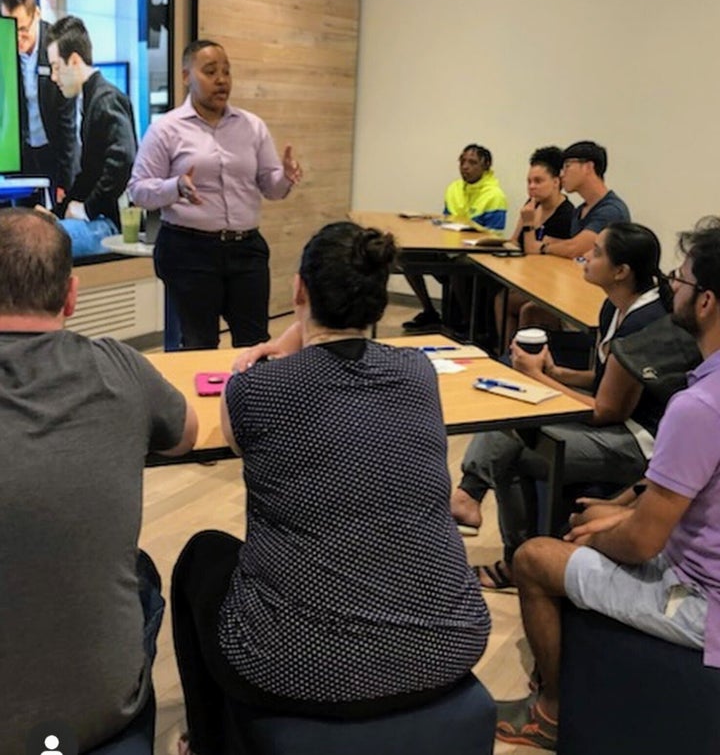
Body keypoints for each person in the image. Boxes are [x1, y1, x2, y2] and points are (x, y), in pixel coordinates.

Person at [171, 221, 490, 755]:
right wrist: (297, 336)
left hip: (294, 666)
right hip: (449, 644)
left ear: (298, 291)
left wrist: (271, 349)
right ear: (378, 303)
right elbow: (337, 350)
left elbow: (234, 436)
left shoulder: (255, 390)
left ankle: (209, 743)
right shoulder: (418, 374)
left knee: (203, 555)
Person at [494, 222, 720, 750]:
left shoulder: (700, 407)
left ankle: (550, 709)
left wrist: (600, 536)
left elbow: (643, 543)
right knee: (597, 521)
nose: (673, 289)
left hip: (705, 603)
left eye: (680, 282)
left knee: (535, 557)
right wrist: (622, 511)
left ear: (706, 301)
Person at [0, 208, 198, 753]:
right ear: (71, 295)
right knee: (145, 572)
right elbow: (187, 432)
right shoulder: (120, 368)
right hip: (99, 713)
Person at [452, 222, 672, 588]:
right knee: (512, 400)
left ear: (621, 271)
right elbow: (604, 380)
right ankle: (510, 547)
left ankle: (499, 535)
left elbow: (606, 411)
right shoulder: (614, 306)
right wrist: (557, 371)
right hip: (616, 421)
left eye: (597, 252)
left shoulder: (643, 324)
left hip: (637, 443)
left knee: (516, 443)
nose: (585, 256)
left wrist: (539, 377)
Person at [129, 39, 303, 350]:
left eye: (226, 72)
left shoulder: (252, 126)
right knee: (197, 346)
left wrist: (285, 178)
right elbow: (138, 190)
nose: (221, 80)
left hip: (246, 250)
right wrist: (175, 187)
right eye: (210, 71)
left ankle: (248, 399)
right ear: (186, 77)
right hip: (188, 250)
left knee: (255, 344)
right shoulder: (166, 129)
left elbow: (270, 187)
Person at [46, 15, 137, 256]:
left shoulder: (105, 99)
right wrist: (56, 212)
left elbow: (122, 162)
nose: (54, 78)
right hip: (100, 220)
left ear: (74, 60)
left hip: (110, 225)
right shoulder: (90, 99)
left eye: (56, 67)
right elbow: (89, 175)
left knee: (41, 246)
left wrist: (87, 209)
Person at [402, 144, 508, 332]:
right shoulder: (454, 188)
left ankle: (468, 325)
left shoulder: (495, 195)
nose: (465, 166)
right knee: (405, 256)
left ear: (486, 165)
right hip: (448, 249)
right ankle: (429, 311)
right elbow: (445, 221)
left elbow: (495, 236)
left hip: (476, 257)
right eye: (462, 161)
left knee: (457, 270)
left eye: (472, 162)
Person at [1, 0, 77, 201]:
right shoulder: (3, 44)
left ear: (37, 15)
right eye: (10, 26)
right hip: (21, 155)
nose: (17, 38)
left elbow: (67, 125)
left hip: (54, 152)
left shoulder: (56, 46)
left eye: (23, 29)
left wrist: (65, 181)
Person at [494, 146, 574, 345]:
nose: (532, 187)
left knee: (515, 304)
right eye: (529, 181)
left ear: (556, 182)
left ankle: (517, 356)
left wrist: (529, 224)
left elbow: (536, 252)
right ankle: (504, 351)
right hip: (524, 276)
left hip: (548, 283)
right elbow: (514, 241)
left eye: (538, 181)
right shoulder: (532, 205)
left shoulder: (566, 214)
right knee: (495, 293)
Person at [522, 140, 630, 260]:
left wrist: (543, 247)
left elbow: (575, 249)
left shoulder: (611, 210)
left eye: (567, 166)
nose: (562, 174)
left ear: (588, 167)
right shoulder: (580, 210)